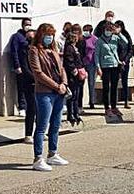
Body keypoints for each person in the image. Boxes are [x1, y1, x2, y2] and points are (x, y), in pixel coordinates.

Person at [28, 24, 70, 172]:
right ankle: (38, 158)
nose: (50, 37)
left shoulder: (54, 50)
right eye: (47, 34)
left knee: (56, 124)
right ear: (41, 35)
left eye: (52, 34)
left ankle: (53, 153)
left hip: (59, 91)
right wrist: (55, 86)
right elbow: (38, 73)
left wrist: (63, 83)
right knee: (41, 126)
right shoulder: (34, 51)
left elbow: (62, 68)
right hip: (44, 92)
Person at [94, 23, 124, 119]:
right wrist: (98, 67)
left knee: (114, 87)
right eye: (106, 30)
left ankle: (114, 106)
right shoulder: (100, 40)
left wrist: (118, 33)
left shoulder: (115, 38)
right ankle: (107, 108)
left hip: (115, 64)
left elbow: (125, 42)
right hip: (105, 66)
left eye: (110, 30)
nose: (108, 32)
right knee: (106, 87)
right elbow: (96, 55)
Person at [7, 18, 33, 118]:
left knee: (30, 87)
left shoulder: (30, 36)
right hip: (22, 66)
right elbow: (14, 52)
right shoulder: (17, 37)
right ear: (22, 25)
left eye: (30, 24)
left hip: (30, 66)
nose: (28, 26)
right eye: (26, 24)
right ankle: (22, 107)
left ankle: (29, 105)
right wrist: (17, 65)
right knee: (21, 87)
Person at [62, 29, 85, 127]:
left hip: (78, 75)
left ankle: (76, 113)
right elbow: (69, 61)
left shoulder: (75, 48)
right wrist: (74, 70)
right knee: (72, 96)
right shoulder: (69, 48)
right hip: (72, 75)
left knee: (76, 95)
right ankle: (70, 114)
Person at [114, 20, 133, 109]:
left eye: (118, 27)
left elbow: (130, 50)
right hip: (115, 62)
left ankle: (126, 101)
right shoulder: (113, 36)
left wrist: (125, 60)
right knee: (114, 81)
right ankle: (114, 102)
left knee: (124, 81)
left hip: (125, 62)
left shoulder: (126, 36)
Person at [81, 25, 98, 110]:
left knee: (91, 83)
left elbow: (97, 51)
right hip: (83, 63)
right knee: (81, 83)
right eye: (84, 30)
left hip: (92, 63)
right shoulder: (81, 39)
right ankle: (80, 103)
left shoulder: (95, 39)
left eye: (87, 30)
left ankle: (92, 102)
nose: (85, 32)